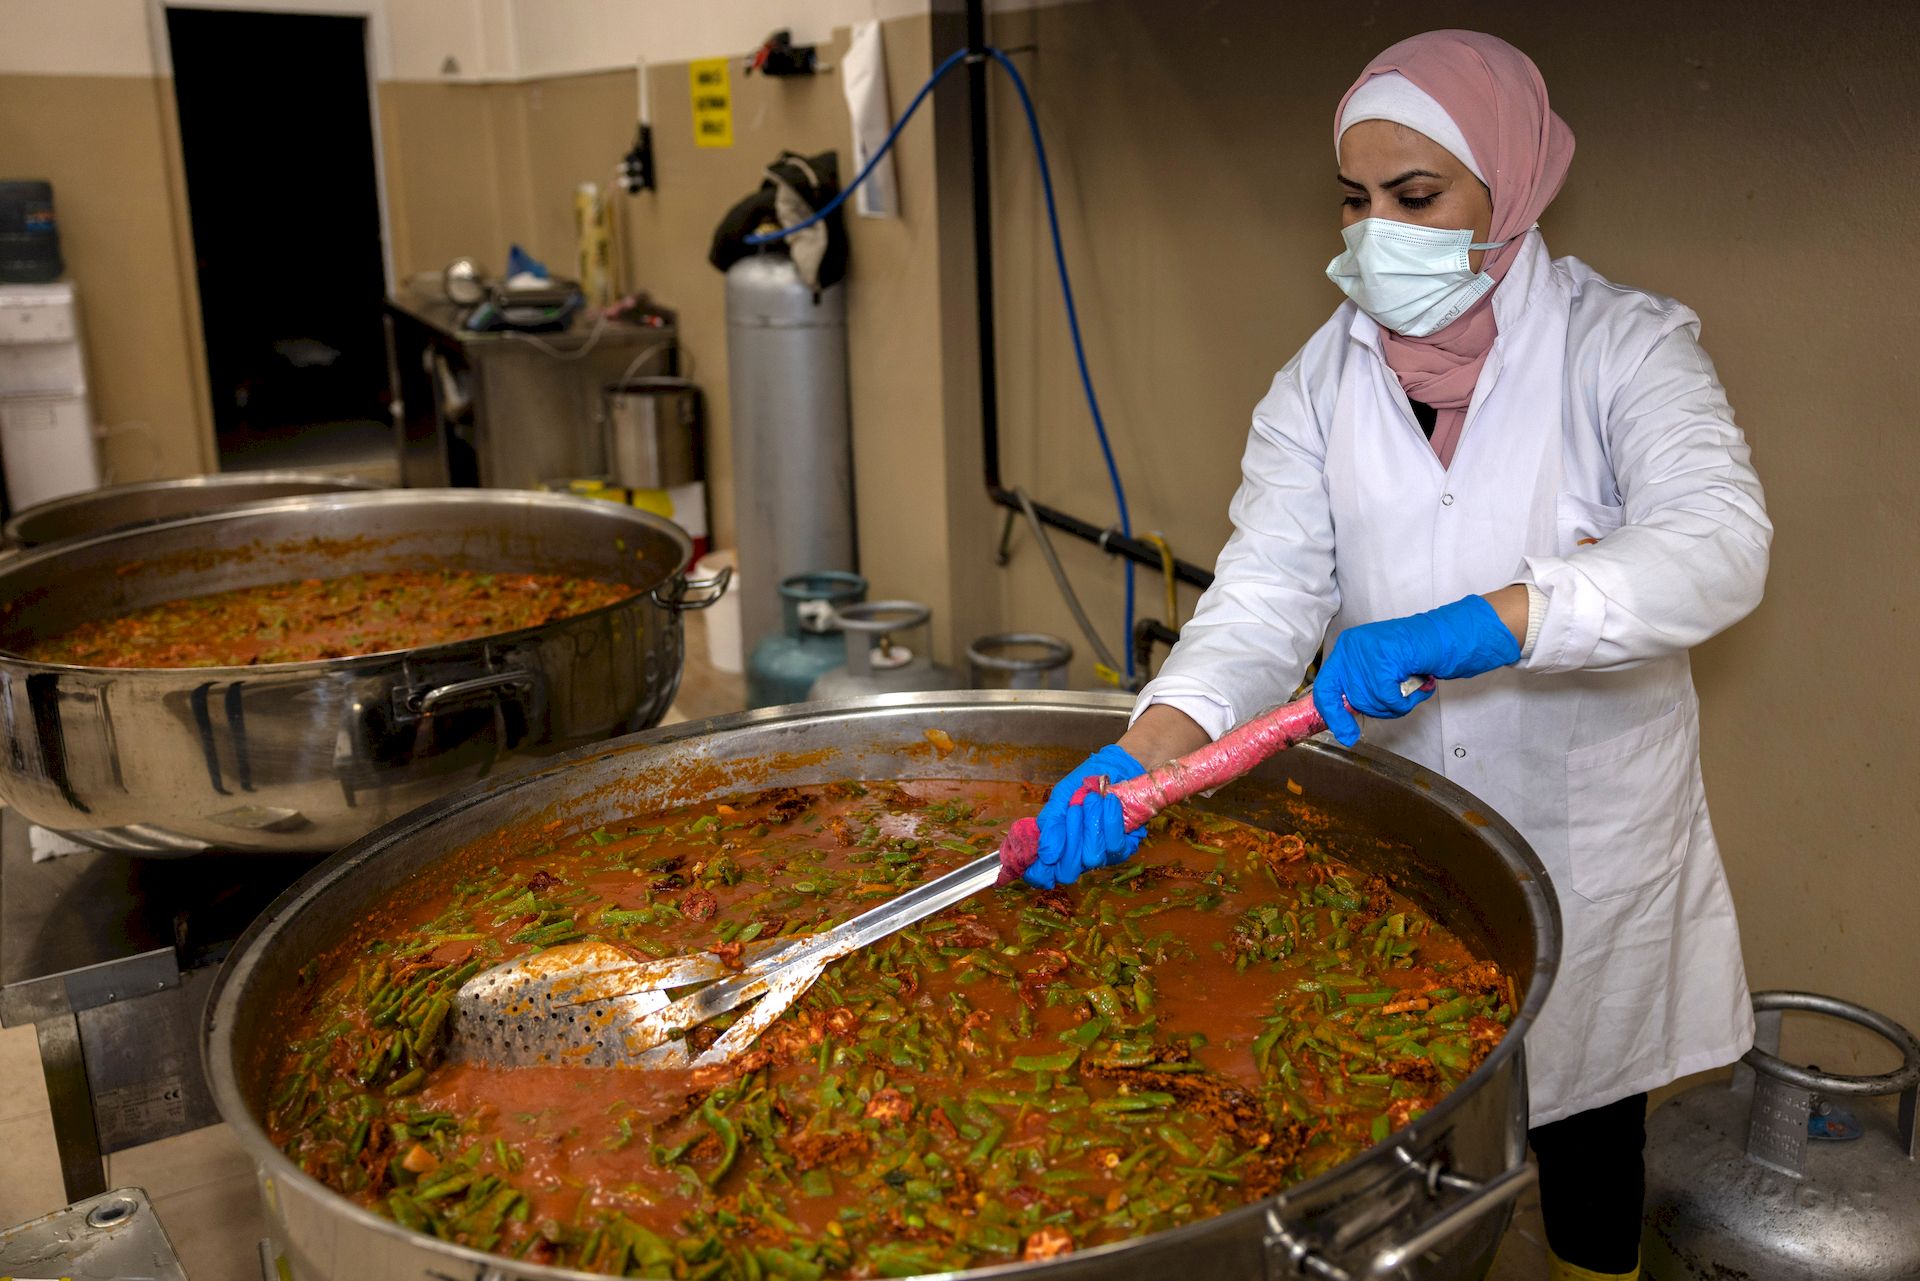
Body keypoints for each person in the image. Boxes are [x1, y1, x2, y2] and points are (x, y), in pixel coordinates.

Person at [1023, 29, 1770, 1281]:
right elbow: (1262, 596)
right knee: (1401, 1152)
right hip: (1415, 850)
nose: (1379, 234)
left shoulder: (1624, 349)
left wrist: (1492, 620)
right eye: (1356, 202)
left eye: (1417, 200)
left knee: (1588, 1157)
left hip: (1592, 846)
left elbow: (1718, 544)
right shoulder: (1319, 383)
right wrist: (1146, 753)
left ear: (1509, 188)